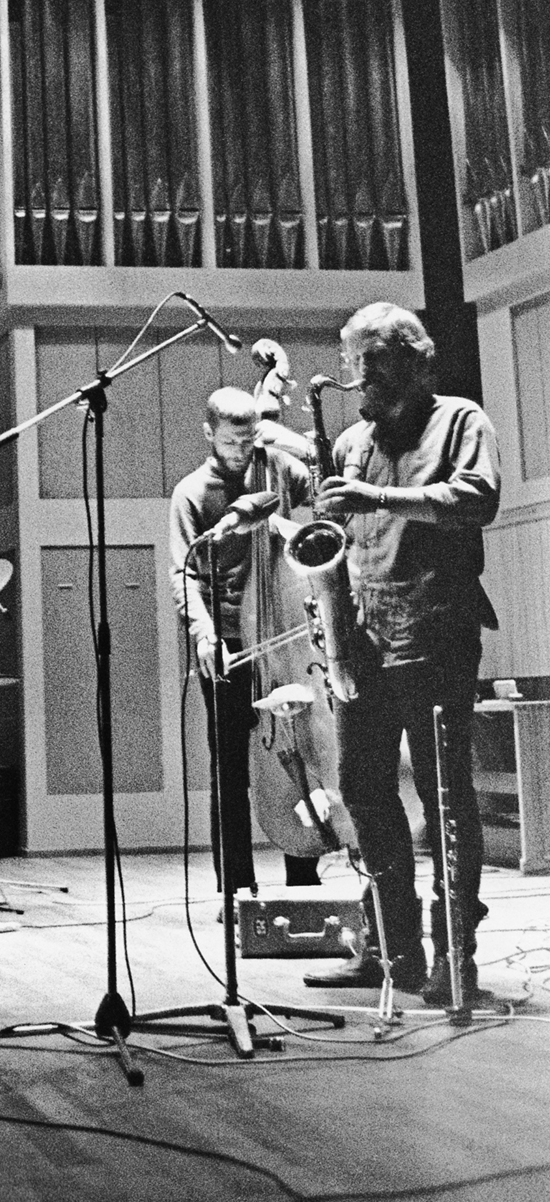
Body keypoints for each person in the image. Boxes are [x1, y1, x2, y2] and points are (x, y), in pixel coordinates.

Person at [304, 303, 499, 1003]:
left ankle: (455, 955)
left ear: (417, 360)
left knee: (445, 795)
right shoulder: (351, 442)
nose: (360, 376)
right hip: (362, 641)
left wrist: (375, 495)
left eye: (374, 360)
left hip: (435, 632)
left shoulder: (460, 420)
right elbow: (332, 544)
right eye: (353, 361)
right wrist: (332, 632)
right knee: (362, 790)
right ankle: (393, 951)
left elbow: (475, 499)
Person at [169, 387, 323, 893]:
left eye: (249, 439)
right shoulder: (193, 492)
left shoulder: (277, 466)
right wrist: (204, 632)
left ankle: (304, 879)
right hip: (230, 641)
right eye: (231, 441)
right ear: (208, 433)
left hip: (286, 641)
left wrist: (295, 443)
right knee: (230, 770)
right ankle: (236, 889)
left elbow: (327, 488)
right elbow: (183, 574)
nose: (242, 451)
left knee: (301, 756)